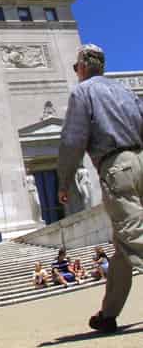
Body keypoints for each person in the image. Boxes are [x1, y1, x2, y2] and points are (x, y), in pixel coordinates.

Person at [56, 44, 143, 334]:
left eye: (74, 68)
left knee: (134, 234)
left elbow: (72, 140)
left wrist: (64, 181)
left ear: (82, 66)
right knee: (121, 251)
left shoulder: (83, 92)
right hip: (141, 160)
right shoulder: (125, 92)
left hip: (117, 169)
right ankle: (107, 315)